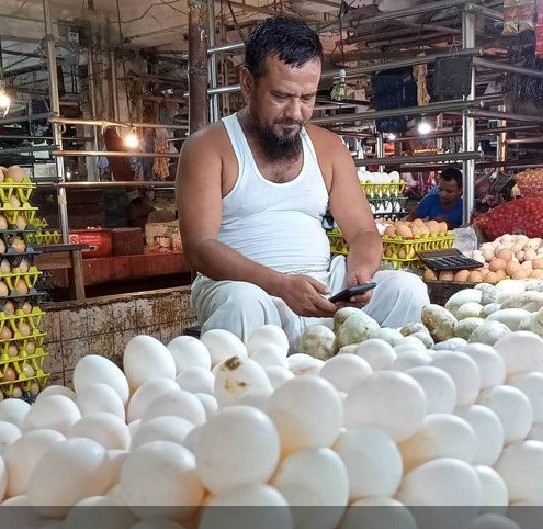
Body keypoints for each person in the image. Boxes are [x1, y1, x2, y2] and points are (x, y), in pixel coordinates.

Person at [176, 16, 429, 345]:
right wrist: (279, 284)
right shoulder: (208, 147)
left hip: (322, 286)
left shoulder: (328, 148)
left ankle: (382, 387)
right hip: (245, 290)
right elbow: (199, 249)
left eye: (307, 98)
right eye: (281, 96)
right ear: (248, 83)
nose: (295, 112)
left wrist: (361, 273)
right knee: (242, 304)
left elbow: (364, 231)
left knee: (406, 289)